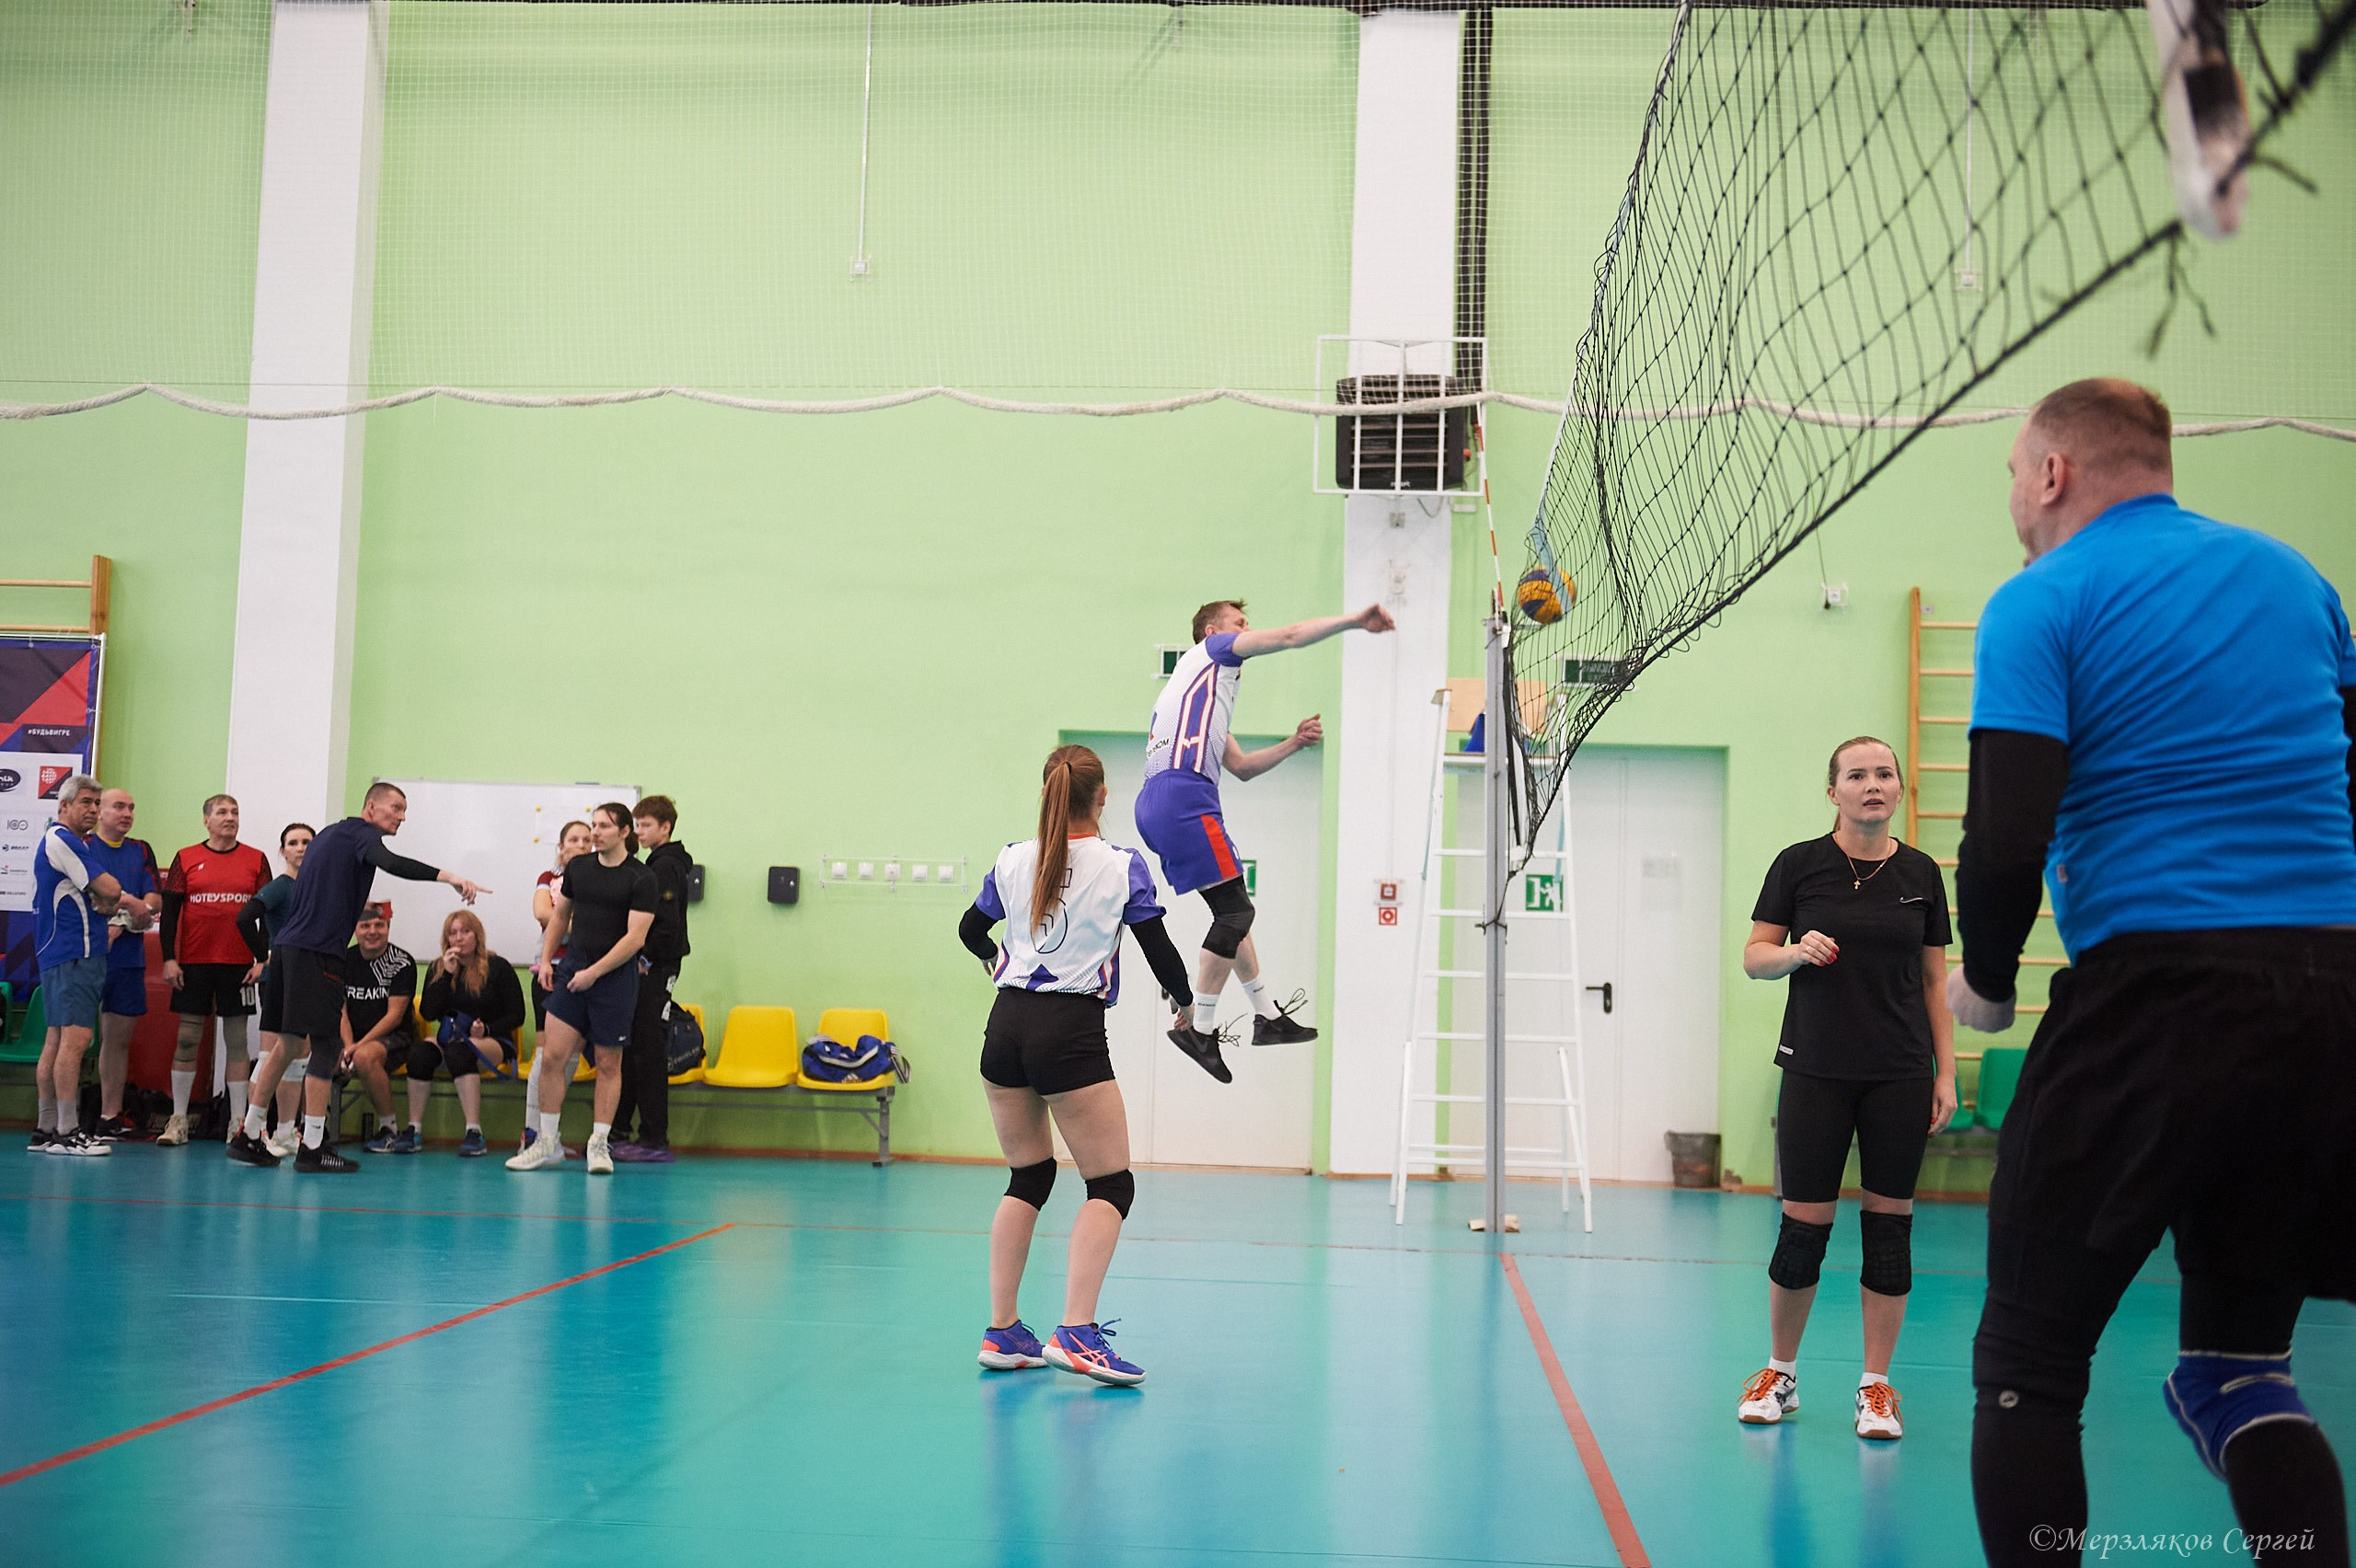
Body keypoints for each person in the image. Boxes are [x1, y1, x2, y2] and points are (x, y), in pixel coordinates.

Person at [1947, 379, 2356, 1566]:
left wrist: (1984, 978)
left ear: (2052, 473)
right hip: (2330, 1006)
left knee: (2027, 1369)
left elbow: (2007, 831)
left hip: (2158, 1000)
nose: (2014, 500)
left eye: (2013, 475)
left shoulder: (2042, 600)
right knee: (2237, 1371)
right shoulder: (2299, 580)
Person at [1738, 736, 1956, 1441]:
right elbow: (1755, 958)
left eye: (1883, 774)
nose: (1872, 784)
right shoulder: (1799, 866)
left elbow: (1932, 982)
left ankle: (1875, 1387)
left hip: (1897, 1073)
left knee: (1889, 1230)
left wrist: (1944, 1073)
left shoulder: (1921, 873)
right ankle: (1781, 1373)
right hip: (1814, 1070)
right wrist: (1796, 953)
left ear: (1899, 789)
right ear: (1832, 791)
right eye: (1856, 775)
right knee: (1804, 1228)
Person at [957, 744, 1196, 1386]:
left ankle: (1003, 1329)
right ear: (1103, 797)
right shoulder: (1122, 866)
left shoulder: (1012, 858)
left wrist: (994, 958)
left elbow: (968, 930)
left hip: (1005, 1026)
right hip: (1070, 1030)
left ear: (1047, 793)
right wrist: (1186, 1002)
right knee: (1111, 1185)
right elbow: (1160, 951)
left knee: (1029, 1177)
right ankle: (1077, 1332)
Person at [1138, 598, 1392, 1077]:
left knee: (1232, 912)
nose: (1246, 629)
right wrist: (1356, 621)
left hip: (1160, 799)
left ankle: (1267, 1018)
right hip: (1182, 794)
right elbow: (1292, 633)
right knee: (1236, 913)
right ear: (1213, 630)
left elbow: (1243, 769)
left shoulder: (1196, 690)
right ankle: (1201, 1028)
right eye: (1239, 623)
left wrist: (1295, 743)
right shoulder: (1214, 651)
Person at [225, 781, 485, 1173]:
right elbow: (393, 862)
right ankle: (312, 1146)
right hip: (318, 953)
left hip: (289, 951)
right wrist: (449, 877)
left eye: (404, 810)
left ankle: (248, 1134)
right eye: (396, 808)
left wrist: (265, 953)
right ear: (371, 807)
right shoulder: (362, 835)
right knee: (327, 1047)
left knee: (288, 1044)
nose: (401, 816)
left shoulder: (331, 834)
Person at [509, 802, 654, 1175]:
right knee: (553, 1057)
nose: (596, 833)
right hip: (571, 972)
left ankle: (599, 1144)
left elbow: (635, 938)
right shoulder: (578, 869)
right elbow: (559, 915)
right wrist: (545, 960)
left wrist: (595, 972)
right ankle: (546, 1142)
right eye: (594, 825)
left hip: (614, 978)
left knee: (608, 1063)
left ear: (625, 832)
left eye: (604, 826)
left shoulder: (641, 878)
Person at [158, 794, 272, 1147]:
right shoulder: (187, 858)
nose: (230, 817)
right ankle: (178, 1119)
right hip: (194, 961)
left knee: (237, 1041)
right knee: (188, 1039)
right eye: (222, 812)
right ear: (206, 819)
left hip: (238, 964)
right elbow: (171, 913)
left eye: (235, 812)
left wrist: (262, 959)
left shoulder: (256, 859)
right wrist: (169, 958)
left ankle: (238, 1123)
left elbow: (265, 911)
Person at [29, 776, 122, 1156]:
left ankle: (46, 1127)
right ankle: (68, 1131)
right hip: (74, 951)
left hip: (62, 952)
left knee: (56, 1039)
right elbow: (111, 890)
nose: (93, 810)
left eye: (97, 804)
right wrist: (112, 900)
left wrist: (107, 901)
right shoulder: (62, 839)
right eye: (86, 802)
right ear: (64, 805)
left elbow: (102, 898)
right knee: (76, 1040)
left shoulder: (67, 843)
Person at [612, 796, 690, 1163]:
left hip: (656, 967)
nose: (639, 831)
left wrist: (645, 957)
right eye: (636, 825)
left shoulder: (665, 866)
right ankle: (623, 1129)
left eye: (645, 826)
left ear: (665, 827)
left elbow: (665, 922)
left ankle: (654, 1137)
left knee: (648, 1051)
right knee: (635, 1049)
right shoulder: (655, 863)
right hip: (651, 965)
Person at [416, 908, 525, 1158]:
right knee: (420, 1053)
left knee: (460, 1052)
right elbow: (428, 1012)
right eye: (452, 933)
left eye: (465, 931)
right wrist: (446, 976)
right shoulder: (439, 968)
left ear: (477, 936)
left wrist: (486, 1029)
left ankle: (474, 1131)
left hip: (494, 1040)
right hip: (451, 1037)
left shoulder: (498, 967)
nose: (459, 938)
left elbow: (517, 1014)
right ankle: (413, 1129)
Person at [87, 787, 162, 1142]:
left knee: (117, 1041)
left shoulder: (141, 850)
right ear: (99, 810)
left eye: (131, 807)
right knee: (73, 1039)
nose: (127, 813)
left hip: (128, 959)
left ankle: (109, 1117)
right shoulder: (82, 847)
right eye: (118, 806)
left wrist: (119, 922)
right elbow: (90, 900)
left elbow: (153, 902)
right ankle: (63, 1121)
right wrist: (121, 912)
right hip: (85, 956)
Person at [237, 822, 317, 1158]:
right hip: (279, 981)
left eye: (307, 842)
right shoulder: (280, 887)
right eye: (293, 843)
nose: (300, 848)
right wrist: (263, 955)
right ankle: (255, 1130)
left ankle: (286, 1131)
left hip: (308, 979)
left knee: (299, 1057)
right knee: (271, 1058)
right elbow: (245, 918)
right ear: (283, 851)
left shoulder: (316, 887)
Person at [520, 820, 593, 1159]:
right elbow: (542, 912)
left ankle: (550, 1137)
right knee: (546, 1056)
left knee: (570, 1058)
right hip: (549, 970)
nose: (580, 844)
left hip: (587, 973)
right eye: (572, 839)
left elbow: (597, 925)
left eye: (586, 839)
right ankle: (532, 1135)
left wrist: (565, 922)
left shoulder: (600, 881)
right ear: (561, 847)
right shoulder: (548, 879)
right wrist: (574, 924)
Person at [341, 904, 419, 1154]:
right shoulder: (343, 959)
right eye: (365, 926)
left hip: (395, 1039)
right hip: (351, 1038)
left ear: (388, 927)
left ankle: (389, 1130)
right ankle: (308, 1129)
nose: (372, 931)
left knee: (364, 1057)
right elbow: (339, 1010)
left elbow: (394, 1016)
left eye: (379, 925)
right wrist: (346, 1044)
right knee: (310, 1051)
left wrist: (356, 1047)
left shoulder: (401, 962)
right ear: (355, 929)